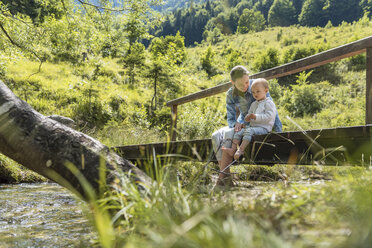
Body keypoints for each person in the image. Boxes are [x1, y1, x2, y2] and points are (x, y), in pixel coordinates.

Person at [211, 65, 282, 186]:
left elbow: (271, 110)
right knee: (215, 136)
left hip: (259, 125)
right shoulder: (231, 94)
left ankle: (221, 178)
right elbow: (231, 117)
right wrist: (236, 124)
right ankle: (226, 178)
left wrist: (278, 132)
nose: (245, 86)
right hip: (245, 124)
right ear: (232, 82)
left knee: (228, 134)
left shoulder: (258, 86)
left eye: (246, 82)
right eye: (240, 84)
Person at [221, 78, 276, 160]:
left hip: (264, 128)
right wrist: (247, 119)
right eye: (253, 92)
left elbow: (269, 117)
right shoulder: (254, 104)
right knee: (239, 131)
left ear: (266, 91)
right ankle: (233, 149)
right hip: (254, 127)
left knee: (249, 131)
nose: (255, 94)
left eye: (258, 91)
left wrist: (255, 117)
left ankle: (241, 150)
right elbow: (249, 115)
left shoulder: (269, 103)